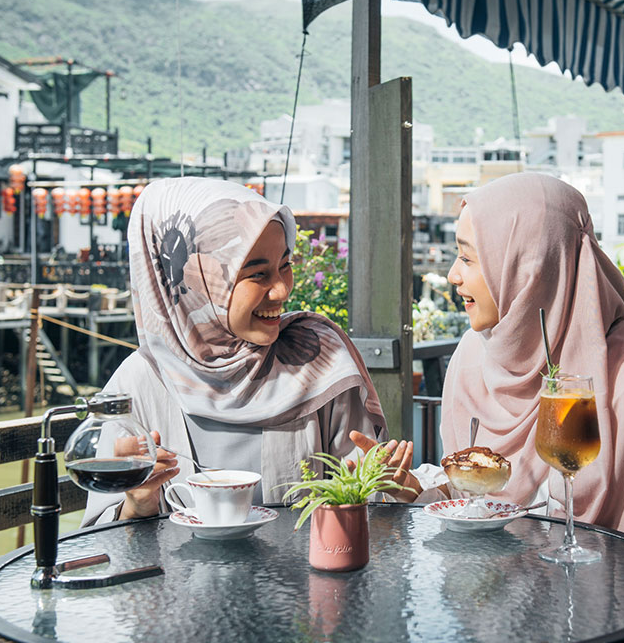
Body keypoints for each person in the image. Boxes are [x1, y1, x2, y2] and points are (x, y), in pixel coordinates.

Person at [352, 172, 624, 632]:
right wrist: (416, 488)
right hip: (489, 615)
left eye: (468, 258)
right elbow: (483, 505)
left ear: (529, 269)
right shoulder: (473, 361)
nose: (453, 275)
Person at [82, 177, 399, 525]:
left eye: (285, 265)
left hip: (306, 579)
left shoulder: (319, 361)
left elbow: (372, 509)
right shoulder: (138, 384)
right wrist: (139, 502)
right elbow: (103, 545)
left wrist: (384, 484)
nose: (281, 290)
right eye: (258, 273)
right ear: (192, 279)